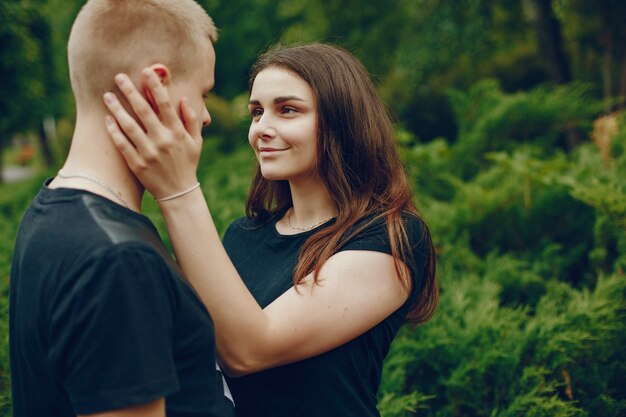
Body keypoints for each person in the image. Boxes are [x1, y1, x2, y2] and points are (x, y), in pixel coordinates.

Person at [103, 43, 438, 417]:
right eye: (257, 112)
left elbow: (249, 350)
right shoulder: (242, 234)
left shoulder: (389, 237)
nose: (261, 128)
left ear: (343, 122)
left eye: (287, 110)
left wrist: (178, 189)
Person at [9, 1, 235, 416]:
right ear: (157, 86)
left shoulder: (52, 210)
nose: (205, 117)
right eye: (203, 93)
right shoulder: (117, 259)